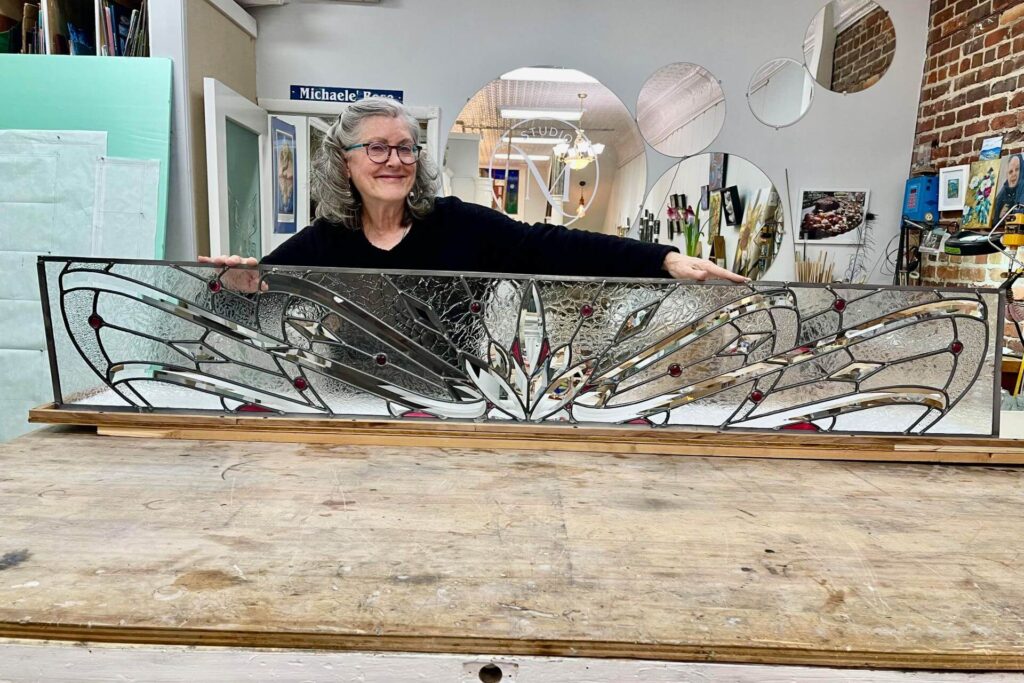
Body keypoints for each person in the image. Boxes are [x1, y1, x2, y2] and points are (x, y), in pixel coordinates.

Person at [200, 97, 746, 288]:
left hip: (454, 413)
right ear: (345, 163)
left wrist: (663, 258)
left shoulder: (458, 224)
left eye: (406, 148)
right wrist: (238, 286)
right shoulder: (324, 240)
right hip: (350, 409)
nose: (395, 160)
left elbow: (552, 245)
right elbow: (265, 293)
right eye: (377, 148)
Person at [994, 153, 1023, 225]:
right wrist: (1000, 217)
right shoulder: (1002, 193)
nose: (1014, 174)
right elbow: (994, 220)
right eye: (1010, 172)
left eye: (1017, 169)